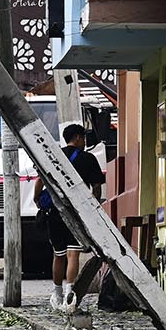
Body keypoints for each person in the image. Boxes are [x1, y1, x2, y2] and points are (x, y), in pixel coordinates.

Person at [33, 124, 106, 311]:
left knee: (58, 255)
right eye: (84, 137)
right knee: (73, 253)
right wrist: (93, 207)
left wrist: (37, 199)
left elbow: (40, 180)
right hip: (77, 212)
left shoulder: (54, 156)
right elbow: (96, 187)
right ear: (78, 137)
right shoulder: (88, 158)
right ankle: (69, 294)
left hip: (55, 212)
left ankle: (56, 295)